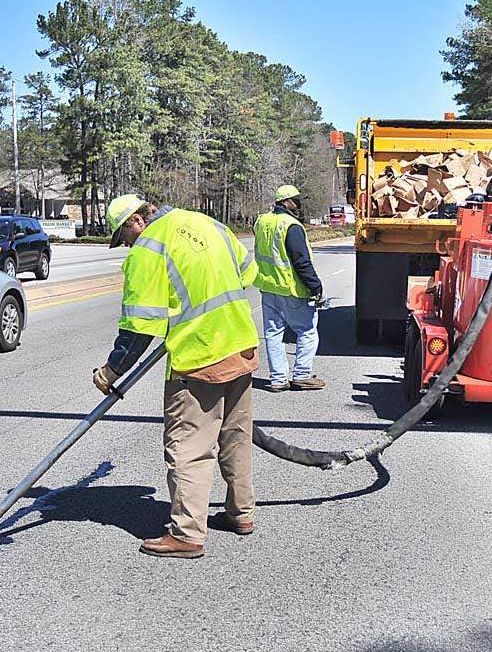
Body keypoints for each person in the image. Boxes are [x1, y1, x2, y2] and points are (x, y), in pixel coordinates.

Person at [92, 194, 259, 559]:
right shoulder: (204, 222)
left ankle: (186, 534)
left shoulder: (149, 248)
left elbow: (138, 328)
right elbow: (247, 272)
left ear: (136, 221)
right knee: (235, 437)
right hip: (240, 342)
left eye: (124, 237)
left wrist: (111, 371)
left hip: (199, 357)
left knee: (188, 447)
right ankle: (240, 513)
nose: (127, 245)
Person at [253, 184, 325, 392]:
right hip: (291, 289)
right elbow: (301, 261)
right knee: (307, 331)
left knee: (273, 333)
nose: (299, 204)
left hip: (268, 287)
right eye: (296, 200)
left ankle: (278, 379)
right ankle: (302, 375)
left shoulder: (262, 221)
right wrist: (315, 286)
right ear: (286, 202)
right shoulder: (291, 226)